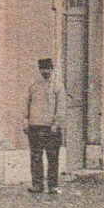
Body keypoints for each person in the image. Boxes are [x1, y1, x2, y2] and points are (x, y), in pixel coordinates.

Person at [25, 57, 64, 194]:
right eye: (43, 69)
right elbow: (27, 103)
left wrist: (56, 123)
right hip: (35, 126)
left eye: (48, 69)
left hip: (51, 128)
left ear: (52, 69)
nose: (45, 72)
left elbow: (61, 108)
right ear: (39, 69)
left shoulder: (57, 86)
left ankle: (52, 185)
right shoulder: (33, 85)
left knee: (52, 157)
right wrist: (26, 120)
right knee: (36, 156)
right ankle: (37, 184)